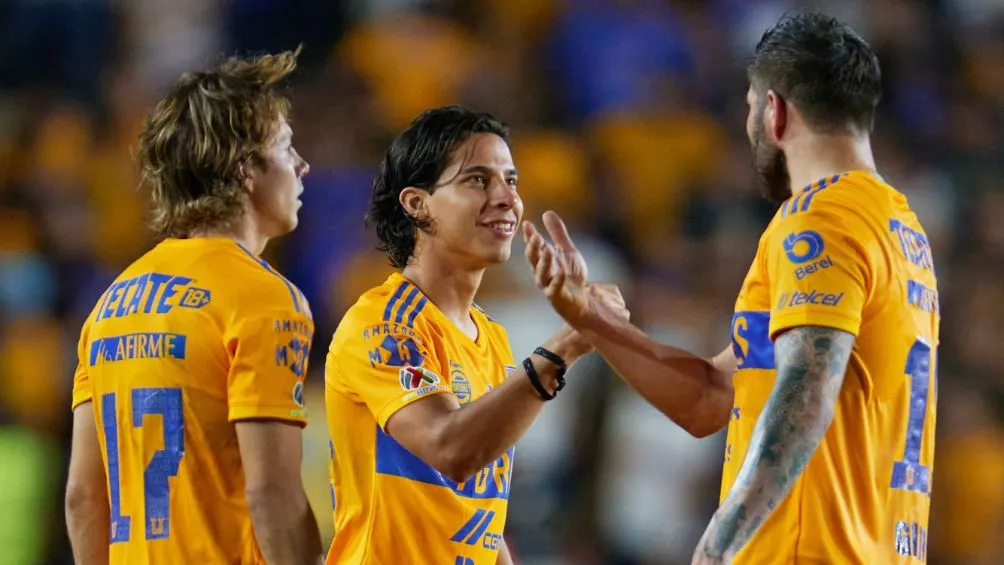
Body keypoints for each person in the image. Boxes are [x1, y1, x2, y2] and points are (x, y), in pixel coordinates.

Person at [523, 13, 939, 565]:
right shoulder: (900, 229)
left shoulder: (820, 221)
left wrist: (724, 539)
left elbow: (808, 386)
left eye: (749, 106)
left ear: (775, 111)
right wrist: (594, 322)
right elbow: (711, 399)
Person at [323, 105, 626, 564]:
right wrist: (565, 347)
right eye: (478, 180)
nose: (507, 198)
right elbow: (450, 448)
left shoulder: (491, 337)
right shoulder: (382, 325)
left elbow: (478, 509)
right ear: (417, 203)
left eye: (511, 180)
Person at [64, 48, 325, 565]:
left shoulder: (111, 303)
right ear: (245, 167)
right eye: (286, 148)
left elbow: (82, 498)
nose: (302, 166)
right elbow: (271, 494)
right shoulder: (266, 297)